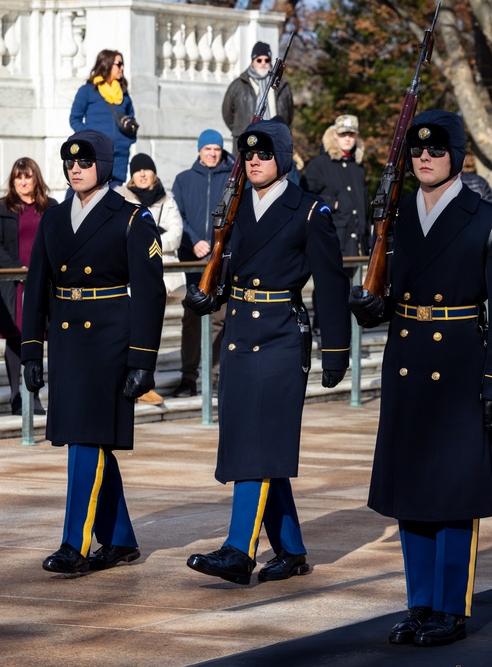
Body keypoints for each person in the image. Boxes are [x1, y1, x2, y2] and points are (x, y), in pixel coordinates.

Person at [348, 110, 492, 647]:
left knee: (454, 493)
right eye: (417, 152)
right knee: (413, 491)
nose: (424, 158)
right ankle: (420, 602)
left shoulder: (489, 221)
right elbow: (390, 292)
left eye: (437, 150)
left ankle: (451, 607)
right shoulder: (395, 218)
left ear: (457, 156)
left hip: (460, 370)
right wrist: (369, 307)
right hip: (407, 366)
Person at [183, 119, 351, 586]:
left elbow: (332, 284)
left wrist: (335, 350)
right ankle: (292, 551)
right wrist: (209, 296)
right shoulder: (235, 209)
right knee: (254, 440)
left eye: (262, 154)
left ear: (282, 159)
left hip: (280, 334)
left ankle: (239, 549)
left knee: (256, 442)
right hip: (239, 332)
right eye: (247, 156)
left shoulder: (307, 210)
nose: (253, 161)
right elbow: (228, 268)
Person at [21, 130, 166, 575]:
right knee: (88, 441)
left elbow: (149, 293)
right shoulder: (54, 217)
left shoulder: (131, 217)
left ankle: (74, 544)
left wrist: (143, 360)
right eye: (69, 162)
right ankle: (119, 538)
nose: (75, 168)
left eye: (84, 161)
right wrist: (31, 348)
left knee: (86, 441)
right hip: (67, 341)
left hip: (110, 339)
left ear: (104, 165)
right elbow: (37, 284)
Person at [0, 157, 55, 416]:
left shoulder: (50, 207)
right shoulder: (3, 208)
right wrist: (18, 268)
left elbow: (57, 242)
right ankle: (17, 396)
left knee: (38, 339)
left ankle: (33, 395)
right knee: (15, 339)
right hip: (13, 284)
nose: (23, 182)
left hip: (42, 283)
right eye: (18, 177)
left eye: (27, 176)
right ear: (13, 181)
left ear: (36, 178)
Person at [116, 153, 184, 406]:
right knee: (128, 329)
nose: (143, 174)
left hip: (160, 278)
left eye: (147, 170)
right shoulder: (121, 198)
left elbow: (176, 234)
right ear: (131, 175)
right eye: (138, 170)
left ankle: (144, 381)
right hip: (129, 276)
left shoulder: (167, 200)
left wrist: (144, 242)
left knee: (150, 330)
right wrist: (153, 238)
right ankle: (127, 378)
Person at [171, 129, 234, 397]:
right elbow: (177, 216)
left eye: (216, 149)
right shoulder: (183, 180)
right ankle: (189, 377)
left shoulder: (232, 180)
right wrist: (195, 241)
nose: (211, 153)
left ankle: (215, 376)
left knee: (219, 319)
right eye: (207, 148)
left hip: (221, 261)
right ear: (199, 150)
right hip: (192, 262)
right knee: (192, 319)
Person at [301, 114, 371, 259]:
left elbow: (364, 206)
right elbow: (303, 196)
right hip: (333, 243)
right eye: (343, 134)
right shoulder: (320, 164)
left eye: (351, 134)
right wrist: (333, 204)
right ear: (334, 135)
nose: (347, 138)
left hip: (359, 245)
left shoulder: (358, 166)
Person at [69, 50, 136, 188]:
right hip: (94, 156)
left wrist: (126, 142)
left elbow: (132, 122)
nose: (122, 68)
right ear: (107, 64)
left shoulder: (124, 94)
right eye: (119, 64)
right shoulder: (87, 90)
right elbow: (74, 119)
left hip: (118, 159)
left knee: (112, 200)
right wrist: (90, 138)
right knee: (83, 196)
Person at [221, 42, 293, 153]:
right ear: (253, 61)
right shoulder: (238, 85)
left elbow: (289, 114)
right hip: (248, 144)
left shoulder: (282, 85)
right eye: (259, 60)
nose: (263, 63)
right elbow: (227, 114)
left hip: (275, 143)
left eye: (267, 60)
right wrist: (241, 130)